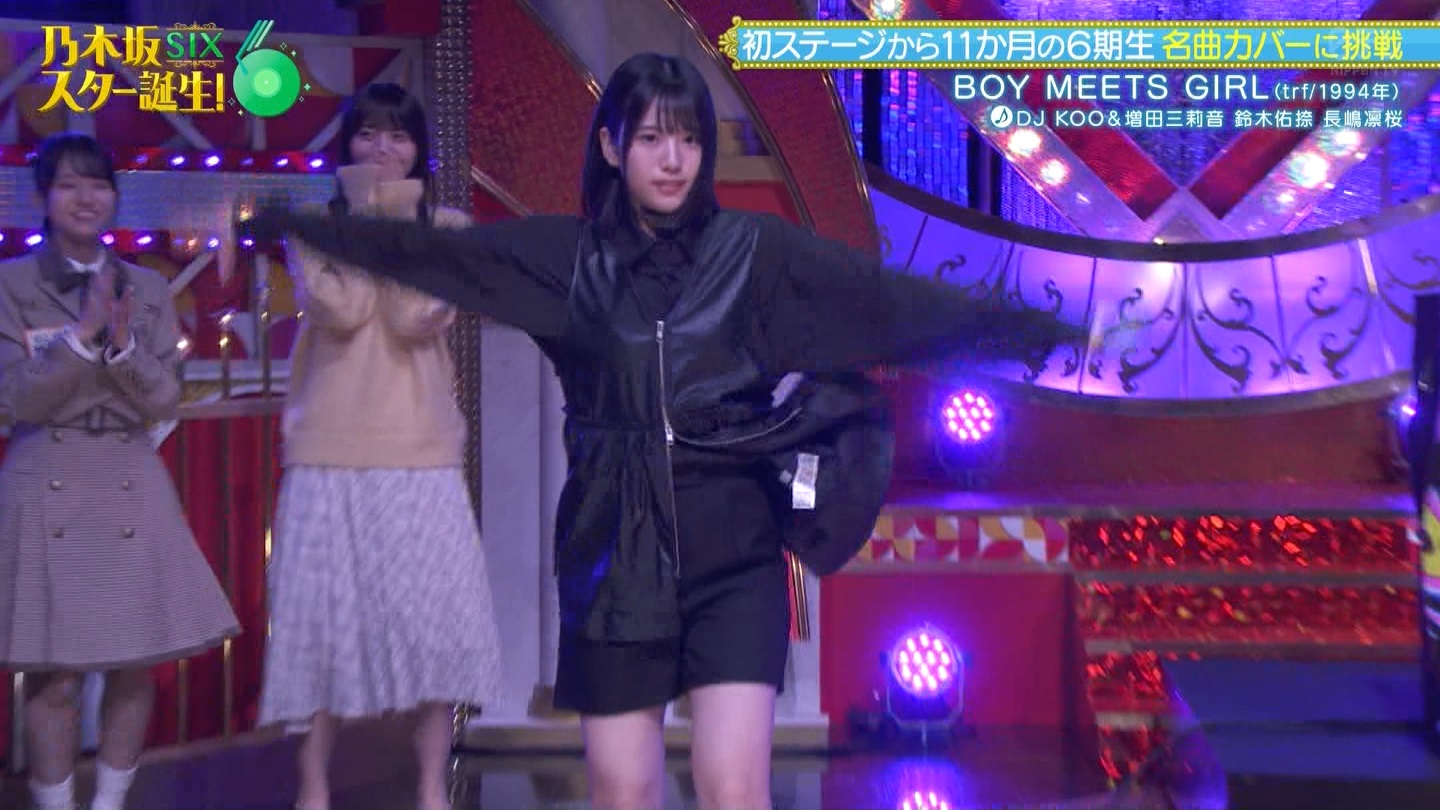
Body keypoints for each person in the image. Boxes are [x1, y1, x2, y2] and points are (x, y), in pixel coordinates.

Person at [249, 53, 1084, 810]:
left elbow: (882, 299)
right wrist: (305, 227)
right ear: (612, 147)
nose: (674, 159)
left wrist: (1022, 328)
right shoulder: (567, 259)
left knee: (734, 789)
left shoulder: (753, 252)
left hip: (736, 555)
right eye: (651, 138)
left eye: (688, 139)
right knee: (622, 791)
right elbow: (445, 260)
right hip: (613, 557)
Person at [255, 83, 500, 810]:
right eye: (368, 135)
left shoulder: (447, 228)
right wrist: (364, 217)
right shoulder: (316, 227)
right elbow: (343, 307)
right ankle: (312, 788)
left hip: (419, 448)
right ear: (348, 146)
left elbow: (414, 315)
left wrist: (389, 220)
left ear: (419, 149)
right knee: (320, 628)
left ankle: (429, 786)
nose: (383, 149)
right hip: (328, 448)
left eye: (398, 136)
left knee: (436, 626)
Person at [0, 133, 240, 810]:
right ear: (43, 198)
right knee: (54, 674)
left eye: (98, 185)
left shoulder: (150, 287)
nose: (85, 198)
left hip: (130, 478)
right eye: (69, 185)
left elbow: (164, 398)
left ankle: (110, 804)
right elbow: (14, 398)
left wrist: (124, 344)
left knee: (136, 662)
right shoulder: (10, 284)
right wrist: (81, 337)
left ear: (114, 197)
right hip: (45, 476)